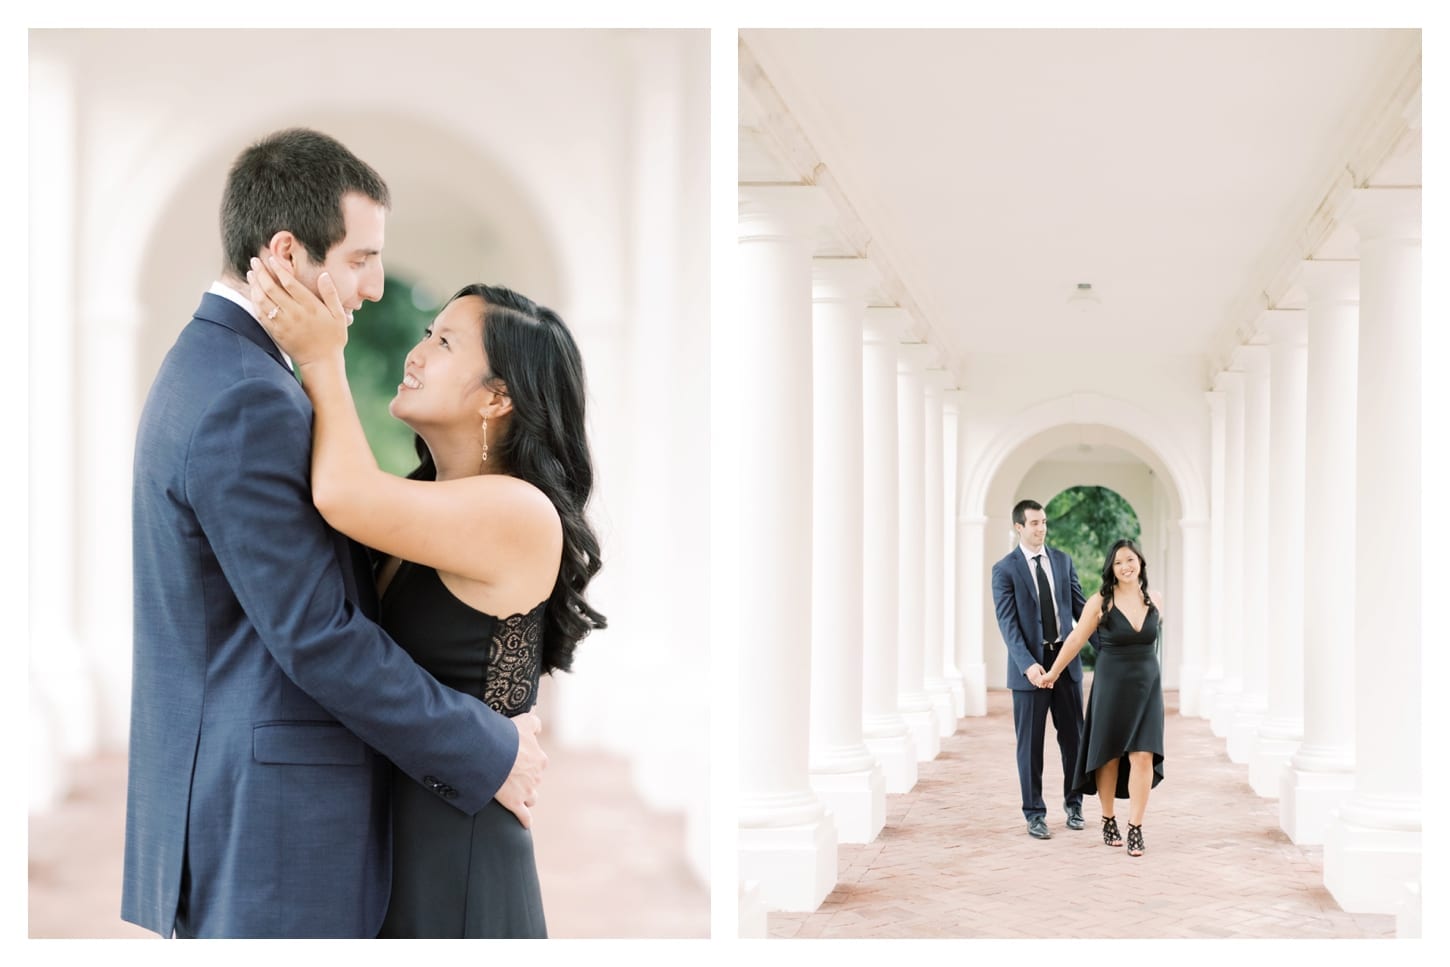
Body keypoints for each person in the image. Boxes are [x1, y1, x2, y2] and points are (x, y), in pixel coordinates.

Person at [123, 128, 548, 939]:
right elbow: (316, 632)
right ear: (287, 251)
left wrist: (509, 698)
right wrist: (488, 745)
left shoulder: (229, 371)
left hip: (273, 809)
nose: (377, 287)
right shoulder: (246, 397)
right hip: (275, 822)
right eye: (360, 258)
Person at [248, 260, 605, 936]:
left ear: (497, 397)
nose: (416, 353)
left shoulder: (520, 511)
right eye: (427, 332)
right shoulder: (431, 508)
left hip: (457, 863)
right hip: (399, 848)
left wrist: (323, 355)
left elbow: (342, 493)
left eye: (444, 343)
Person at [1041, 538, 1165, 857]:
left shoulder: (1156, 600)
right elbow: (1075, 639)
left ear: (1140, 562)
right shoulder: (1099, 602)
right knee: (1108, 755)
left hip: (1147, 687)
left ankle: (1135, 827)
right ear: (1111, 568)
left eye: (1130, 560)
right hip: (1111, 684)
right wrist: (1053, 673)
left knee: (1143, 755)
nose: (1126, 566)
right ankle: (1108, 818)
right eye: (1119, 562)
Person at [990, 499, 1091, 840]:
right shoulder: (1004, 570)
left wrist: (1112, 645)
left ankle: (1074, 804)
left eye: (1044, 522)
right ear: (1019, 526)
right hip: (1029, 670)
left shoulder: (1063, 562)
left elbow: (1083, 612)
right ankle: (1034, 813)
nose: (1041, 528)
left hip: (1066, 664)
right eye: (1034, 523)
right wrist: (1028, 665)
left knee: (1074, 740)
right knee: (1030, 746)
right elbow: (1008, 625)